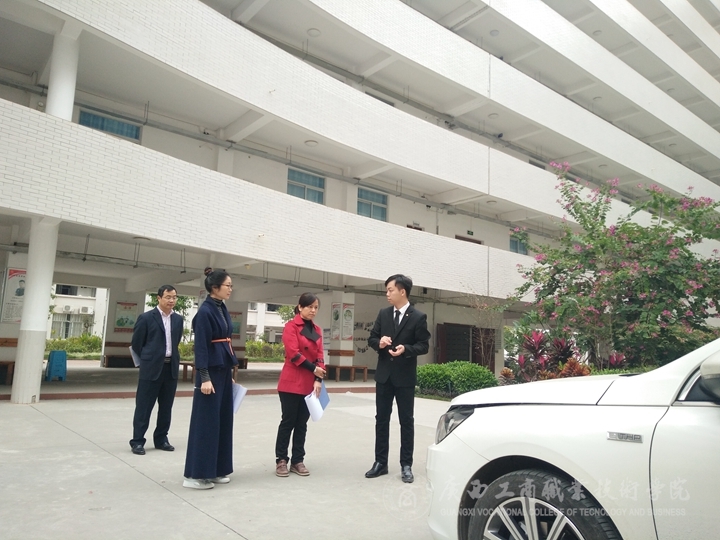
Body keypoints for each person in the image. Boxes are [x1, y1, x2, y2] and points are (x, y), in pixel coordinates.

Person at [365, 274, 430, 484]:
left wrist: (406, 349)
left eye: (390, 290)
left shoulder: (418, 317)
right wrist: (380, 343)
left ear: (402, 292)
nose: (387, 294)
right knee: (381, 420)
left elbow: (424, 345)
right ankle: (380, 462)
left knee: (406, 421)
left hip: (405, 378)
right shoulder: (384, 314)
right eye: (387, 290)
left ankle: (406, 465)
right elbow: (372, 338)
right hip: (384, 376)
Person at [183, 268, 239, 490]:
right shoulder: (205, 312)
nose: (230, 289)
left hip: (222, 370)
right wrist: (204, 377)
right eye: (228, 285)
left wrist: (228, 374)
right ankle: (195, 475)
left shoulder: (222, 308)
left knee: (222, 421)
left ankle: (216, 469)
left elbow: (225, 342)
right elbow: (201, 348)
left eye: (231, 286)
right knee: (205, 423)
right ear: (215, 287)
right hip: (210, 374)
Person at [274, 292, 326, 477]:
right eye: (309, 307)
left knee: (302, 423)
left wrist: (318, 379)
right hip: (291, 381)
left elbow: (320, 356)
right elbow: (294, 354)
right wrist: (314, 370)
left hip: (309, 383)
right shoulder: (291, 326)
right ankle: (281, 460)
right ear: (300, 307)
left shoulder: (317, 330)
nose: (313, 310)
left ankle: (298, 460)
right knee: (288, 421)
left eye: (316, 307)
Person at [129, 285, 183, 455]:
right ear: (159, 298)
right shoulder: (146, 318)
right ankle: (138, 441)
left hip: (170, 368)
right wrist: (148, 359)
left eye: (174, 297)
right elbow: (137, 344)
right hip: (151, 369)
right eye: (168, 297)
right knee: (144, 407)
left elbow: (176, 341)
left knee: (166, 407)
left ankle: (161, 439)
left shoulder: (178, 319)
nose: (171, 300)